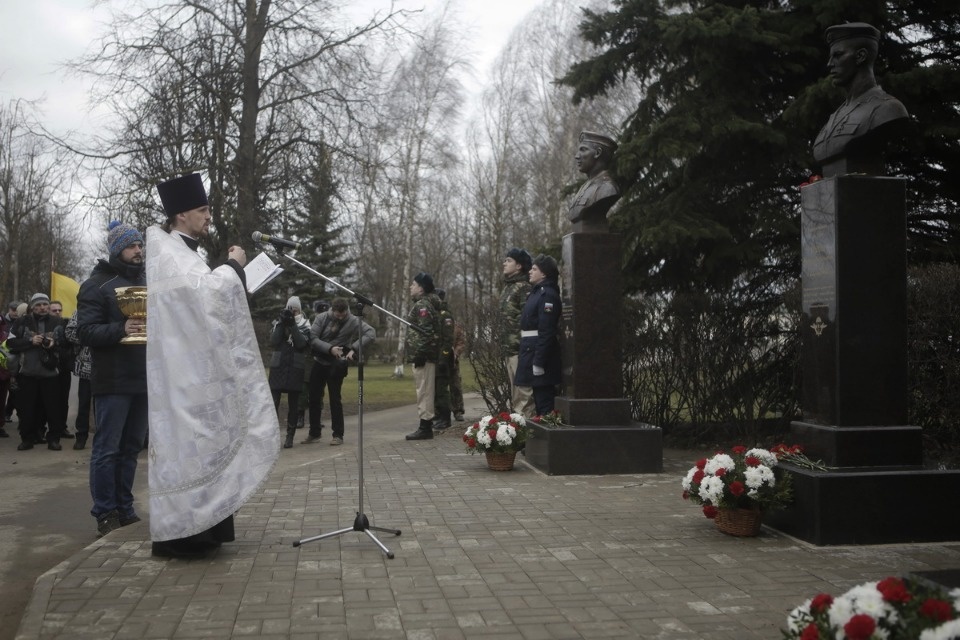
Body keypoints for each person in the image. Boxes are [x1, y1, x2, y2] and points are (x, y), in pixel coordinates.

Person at [146, 172, 279, 559]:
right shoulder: (169, 253)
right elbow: (206, 297)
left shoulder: (183, 253)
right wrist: (235, 266)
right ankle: (181, 536)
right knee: (191, 449)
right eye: (203, 210)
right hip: (182, 379)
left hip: (190, 373)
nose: (209, 217)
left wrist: (233, 273)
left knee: (204, 448)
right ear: (182, 213)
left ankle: (203, 532)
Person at [76, 221, 149, 537]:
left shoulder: (147, 281)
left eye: (140, 245)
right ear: (118, 248)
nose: (139, 251)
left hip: (144, 378)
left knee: (132, 447)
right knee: (108, 448)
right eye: (133, 245)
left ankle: (125, 507)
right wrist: (122, 329)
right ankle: (105, 513)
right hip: (112, 381)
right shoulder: (96, 285)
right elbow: (84, 331)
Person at [812, 23, 910, 177]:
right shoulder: (834, 117)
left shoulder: (888, 109)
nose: (830, 63)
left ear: (860, 56)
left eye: (837, 55)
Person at [304, 297, 375, 447]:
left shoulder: (353, 320)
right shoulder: (321, 318)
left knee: (335, 399)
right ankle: (314, 432)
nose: (341, 317)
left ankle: (338, 434)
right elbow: (313, 338)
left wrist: (355, 348)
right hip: (319, 360)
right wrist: (329, 348)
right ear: (333, 310)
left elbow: (370, 333)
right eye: (338, 315)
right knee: (314, 398)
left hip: (337, 364)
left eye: (344, 315)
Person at [7, 294, 67, 450]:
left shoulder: (58, 322)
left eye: (45, 304)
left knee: (53, 409)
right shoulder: (21, 322)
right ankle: (27, 439)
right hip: (27, 373)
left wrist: (53, 344)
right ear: (32, 307)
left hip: (51, 374)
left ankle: (53, 439)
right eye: (38, 305)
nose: (42, 307)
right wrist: (29, 341)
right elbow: (10, 343)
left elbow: (66, 346)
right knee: (26, 409)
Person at [514, 255, 562, 417]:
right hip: (530, 349)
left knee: (545, 402)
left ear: (544, 274)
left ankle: (550, 439)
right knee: (538, 399)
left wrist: (539, 361)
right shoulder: (536, 293)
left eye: (535, 269)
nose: (530, 272)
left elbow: (546, 330)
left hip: (538, 353)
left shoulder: (547, 295)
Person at [268, 296, 311, 449]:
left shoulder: (305, 324)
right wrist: (281, 322)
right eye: (290, 309)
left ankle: (290, 437)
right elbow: (273, 341)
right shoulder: (278, 322)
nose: (292, 312)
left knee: (294, 405)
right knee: (273, 404)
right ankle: (271, 436)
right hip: (278, 367)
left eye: (295, 310)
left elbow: (301, 343)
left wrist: (293, 325)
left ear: (300, 310)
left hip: (295, 367)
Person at [405, 272, 440, 441]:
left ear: (421, 288)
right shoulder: (422, 304)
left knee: (425, 391)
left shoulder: (423, 306)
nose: (411, 287)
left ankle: (425, 427)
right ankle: (424, 425)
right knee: (423, 390)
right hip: (424, 355)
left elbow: (427, 333)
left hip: (424, 357)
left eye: (414, 284)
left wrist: (420, 353)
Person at [499, 248, 533, 415]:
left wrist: (522, 345)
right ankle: (518, 431)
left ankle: (528, 432)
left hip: (520, 348)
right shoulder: (508, 287)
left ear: (519, 266)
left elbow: (527, 319)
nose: (504, 263)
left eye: (509, 260)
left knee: (524, 394)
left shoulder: (524, 288)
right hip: (509, 348)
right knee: (515, 395)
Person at [568, 131, 621, 228]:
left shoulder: (607, 188)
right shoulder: (584, 187)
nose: (577, 156)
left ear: (598, 153)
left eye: (583, 150)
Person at [64, 311, 93, 450]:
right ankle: (81, 436)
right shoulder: (83, 311)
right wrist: (94, 336)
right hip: (86, 369)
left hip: (109, 369)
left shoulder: (112, 308)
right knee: (83, 406)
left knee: (106, 407)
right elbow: (69, 332)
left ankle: (105, 438)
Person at [49, 300, 76, 440]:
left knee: (63, 399)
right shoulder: (45, 324)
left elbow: (71, 344)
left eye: (59, 310)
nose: (58, 312)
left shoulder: (66, 324)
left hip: (64, 368)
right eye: (54, 310)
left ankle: (61, 427)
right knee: (48, 400)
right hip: (47, 368)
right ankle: (46, 428)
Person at [432, 287, 454, 432]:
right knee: (435, 390)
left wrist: (443, 358)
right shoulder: (435, 315)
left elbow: (448, 340)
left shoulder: (445, 316)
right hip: (434, 358)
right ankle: (438, 416)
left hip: (443, 360)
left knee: (442, 391)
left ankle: (445, 419)